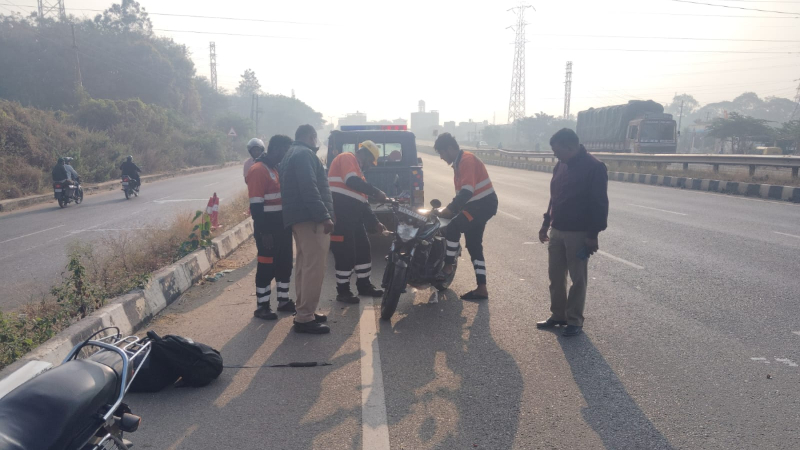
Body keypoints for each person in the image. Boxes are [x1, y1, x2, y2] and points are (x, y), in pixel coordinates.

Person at [537, 128, 609, 337]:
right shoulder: (561, 165)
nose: (555, 155)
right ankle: (558, 315)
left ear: (571, 147)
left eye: (557, 151)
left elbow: (599, 204)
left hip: (579, 233)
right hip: (557, 229)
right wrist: (545, 224)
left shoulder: (594, 167)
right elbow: (554, 198)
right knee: (556, 276)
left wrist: (593, 235)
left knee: (578, 278)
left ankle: (575, 320)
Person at [279, 125, 334, 334]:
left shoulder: (291, 154)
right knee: (314, 268)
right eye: (315, 138)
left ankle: (304, 310)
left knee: (304, 266)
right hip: (311, 220)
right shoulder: (304, 154)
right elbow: (309, 188)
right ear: (312, 137)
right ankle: (304, 318)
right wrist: (324, 216)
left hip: (299, 219)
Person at [434, 133, 498, 301]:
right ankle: (482, 288)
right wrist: (454, 209)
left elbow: (467, 191)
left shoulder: (466, 160)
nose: (441, 157)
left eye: (441, 153)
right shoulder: (458, 163)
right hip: (476, 205)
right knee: (474, 245)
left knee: (453, 227)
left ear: (449, 148)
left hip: (482, 205)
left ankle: (447, 267)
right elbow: (464, 195)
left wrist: (449, 210)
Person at [327, 140, 388, 303]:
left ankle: (364, 285)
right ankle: (343, 291)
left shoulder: (359, 174)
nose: (370, 166)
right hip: (340, 216)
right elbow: (351, 182)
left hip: (353, 218)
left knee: (363, 249)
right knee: (345, 254)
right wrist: (376, 192)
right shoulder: (347, 158)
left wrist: (374, 222)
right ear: (366, 155)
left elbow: (363, 203)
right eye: (371, 162)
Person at [246, 136, 296, 320]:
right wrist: (264, 232)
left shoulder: (275, 168)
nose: (288, 154)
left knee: (284, 264)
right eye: (286, 150)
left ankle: (283, 300)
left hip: (281, 227)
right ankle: (262, 306)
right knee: (266, 266)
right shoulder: (258, 170)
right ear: (278, 149)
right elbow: (256, 206)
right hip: (268, 228)